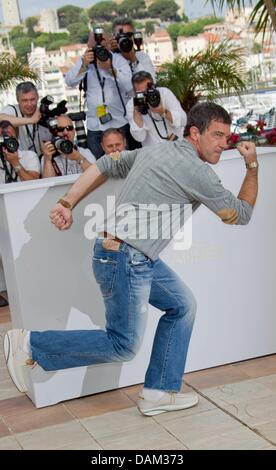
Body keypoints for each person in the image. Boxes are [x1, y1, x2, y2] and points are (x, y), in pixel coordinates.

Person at [4, 102, 258, 417]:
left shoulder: (153, 151)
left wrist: (67, 201)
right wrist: (252, 166)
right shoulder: (197, 171)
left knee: (182, 305)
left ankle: (157, 391)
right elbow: (240, 215)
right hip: (128, 258)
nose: (224, 143)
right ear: (195, 133)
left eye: (227, 136)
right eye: (217, 135)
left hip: (126, 254)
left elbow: (105, 165)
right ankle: (29, 345)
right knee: (122, 344)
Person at [65, 34, 133, 160]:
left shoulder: (117, 60)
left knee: (123, 161)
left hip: (119, 122)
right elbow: (69, 81)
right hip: (95, 125)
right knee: (98, 165)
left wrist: (111, 69)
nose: (99, 46)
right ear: (89, 45)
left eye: (102, 41)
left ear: (108, 43)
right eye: (94, 42)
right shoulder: (84, 61)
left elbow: (130, 85)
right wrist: (84, 65)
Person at [127, 71, 187, 147]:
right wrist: (137, 111)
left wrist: (162, 111)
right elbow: (139, 138)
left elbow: (183, 121)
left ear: (154, 86)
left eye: (147, 91)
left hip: (176, 146)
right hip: (154, 153)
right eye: (141, 93)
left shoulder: (164, 93)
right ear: (135, 93)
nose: (146, 95)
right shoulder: (132, 104)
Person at [0, 82, 51, 158]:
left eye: (32, 99)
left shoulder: (42, 112)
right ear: (18, 100)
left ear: (37, 97)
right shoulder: (13, 109)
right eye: (25, 100)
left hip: (43, 159)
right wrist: (32, 120)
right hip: (21, 162)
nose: (29, 104)